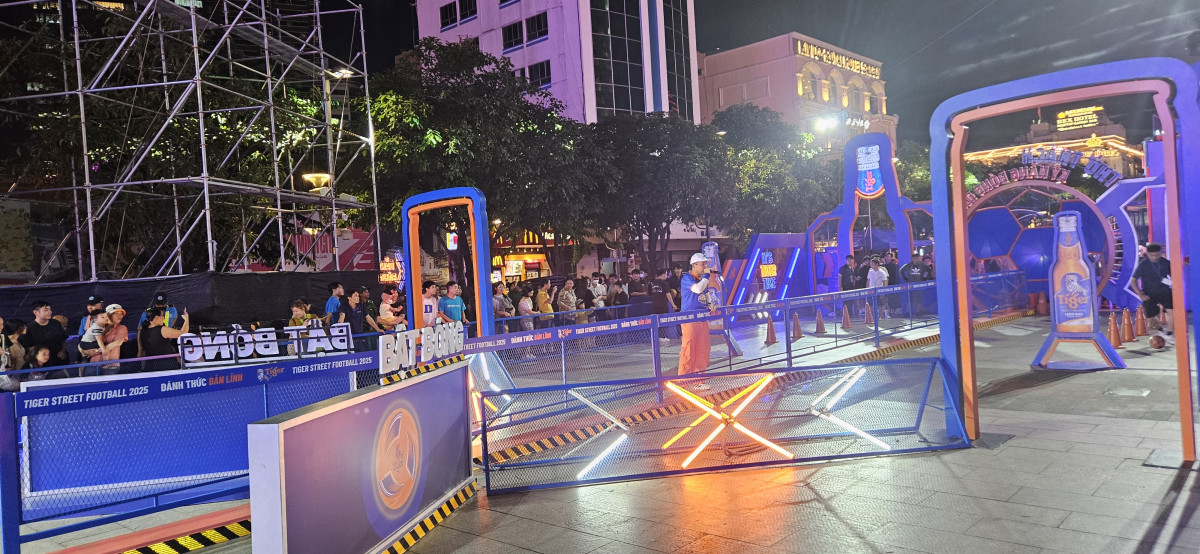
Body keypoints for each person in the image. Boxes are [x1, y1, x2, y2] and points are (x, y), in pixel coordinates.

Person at [679, 253, 718, 385]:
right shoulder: (687, 278)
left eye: (705, 264)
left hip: (702, 318)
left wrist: (710, 303)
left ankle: (699, 380)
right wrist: (707, 276)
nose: (705, 266)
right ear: (694, 265)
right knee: (688, 350)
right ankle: (683, 381)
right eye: (702, 264)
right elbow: (697, 289)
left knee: (703, 349)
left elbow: (705, 293)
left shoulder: (702, 279)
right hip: (689, 318)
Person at [1131, 242, 1174, 344]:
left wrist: (1173, 284)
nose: (1155, 257)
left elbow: (1174, 276)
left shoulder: (1166, 263)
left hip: (1165, 291)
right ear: (1147, 254)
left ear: (1160, 253)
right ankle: (1161, 330)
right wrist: (1139, 293)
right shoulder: (1143, 265)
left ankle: (1169, 333)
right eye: (1152, 255)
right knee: (1150, 319)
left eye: (1157, 255)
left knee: (1170, 311)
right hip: (1149, 293)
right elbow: (1133, 280)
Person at [139, 306, 189, 372]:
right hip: (167, 365)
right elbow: (183, 333)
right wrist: (186, 319)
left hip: (150, 366)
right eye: (162, 315)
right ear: (156, 317)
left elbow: (143, 351)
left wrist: (143, 368)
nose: (164, 318)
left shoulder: (142, 331)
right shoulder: (162, 330)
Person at [21, 301, 68, 368]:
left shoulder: (56, 323)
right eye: (46, 310)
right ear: (36, 312)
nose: (50, 312)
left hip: (59, 362)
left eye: (50, 309)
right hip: (40, 367)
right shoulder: (29, 329)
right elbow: (27, 349)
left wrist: (63, 350)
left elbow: (63, 339)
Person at [76, 309, 110, 376]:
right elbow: (99, 340)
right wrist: (103, 349)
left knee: (85, 359)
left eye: (106, 316)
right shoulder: (96, 328)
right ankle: (106, 363)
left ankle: (81, 374)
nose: (106, 318)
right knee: (104, 346)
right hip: (86, 343)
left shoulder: (102, 325)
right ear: (95, 320)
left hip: (87, 342)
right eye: (102, 317)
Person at [99, 304, 129, 375]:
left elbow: (118, 342)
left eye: (121, 314)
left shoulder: (122, 328)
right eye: (116, 313)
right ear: (108, 315)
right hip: (94, 363)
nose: (120, 316)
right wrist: (84, 350)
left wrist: (96, 351)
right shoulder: (98, 327)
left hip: (111, 365)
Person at [650, 268, 672, 341]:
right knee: (664, 320)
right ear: (663, 274)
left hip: (655, 306)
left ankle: (657, 336)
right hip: (663, 305)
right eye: (666, 274)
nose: (666, 276)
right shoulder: (664, 283)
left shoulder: (652, 283)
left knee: (656, 321)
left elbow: (649, 293)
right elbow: (668, 294)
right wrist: (673, 304)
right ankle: (664, 336)